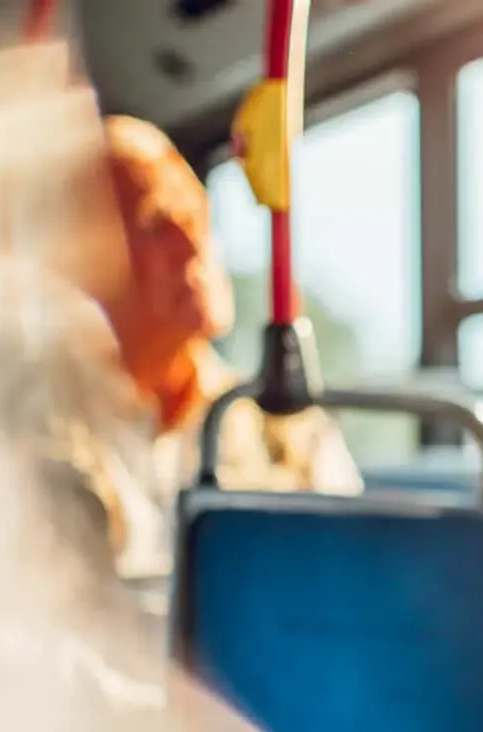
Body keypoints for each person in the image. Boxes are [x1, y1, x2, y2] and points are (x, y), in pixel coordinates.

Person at [96, 115, 361, 518]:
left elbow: (350, 570)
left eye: (195, 216)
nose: (192, 245)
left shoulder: (288, 434)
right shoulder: (42, 439)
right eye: (156, 226)